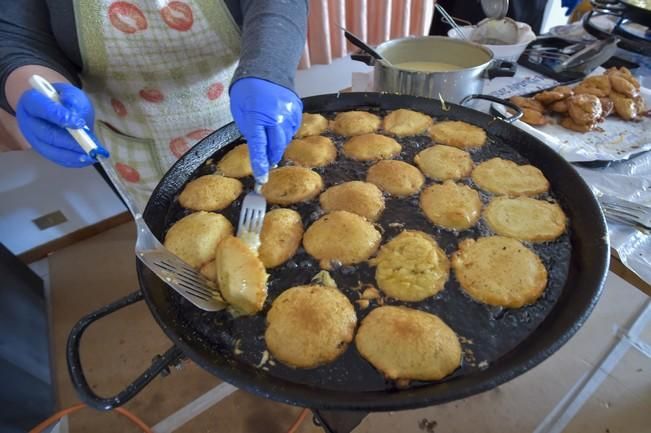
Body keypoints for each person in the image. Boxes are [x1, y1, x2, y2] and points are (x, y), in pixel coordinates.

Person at [0, 0, 308, 206]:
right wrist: (36, 87)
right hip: (131, 141)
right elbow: (17, 36)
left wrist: (269, 70)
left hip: (245, 111)